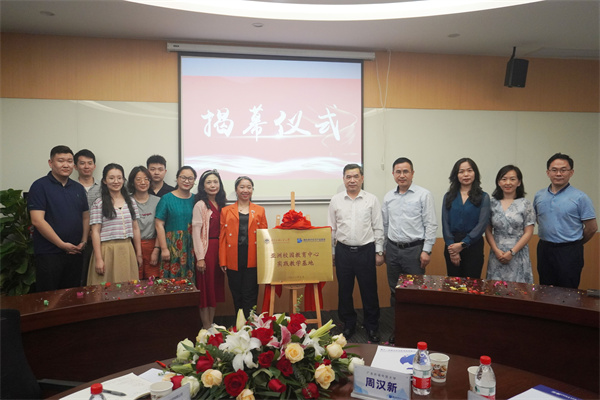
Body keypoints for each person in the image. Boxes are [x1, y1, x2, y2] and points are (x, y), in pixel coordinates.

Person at [382, 157, 437, 345]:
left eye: (406, 171)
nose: (402, 175)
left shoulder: (423, 195)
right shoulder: (388, 197)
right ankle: (398, 330)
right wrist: (383, 249)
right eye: (398, 172)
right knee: (395, 292)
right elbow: (385, 225)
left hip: (414, 251)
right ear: (393, 174)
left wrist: (427, 250)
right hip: (392, 249)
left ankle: (416, 331)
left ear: (412, 173)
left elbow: (431, 224)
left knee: (415, 292)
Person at [328, 164, 384, 343]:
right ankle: (348, 323)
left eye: (355, 176)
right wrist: (332, 252)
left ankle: (371, 325)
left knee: (369, 290)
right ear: (343, 179)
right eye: (348, 177)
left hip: (366, 251)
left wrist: (379, 251)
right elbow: (332, 228)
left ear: (362, 178)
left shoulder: (371, 200)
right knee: (344, 291)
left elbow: (378, 226)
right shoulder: (336, 200)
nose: (352, 180)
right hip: (343, 251)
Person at [28, 145, 89, 292]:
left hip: (75, 252)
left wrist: (83, 241)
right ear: (51, 163)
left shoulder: (78, 188)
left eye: (69, 161)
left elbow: (86, 217)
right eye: (61, 161)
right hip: (49, 253)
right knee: (49, 297)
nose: (66, 165)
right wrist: (61, 244)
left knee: (73, 295)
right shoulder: (39, 186)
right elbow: (37, 220)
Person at [534, 153, 597, 288]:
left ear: (571, 172)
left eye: (563, 170)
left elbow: (592, 228)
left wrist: (576, 243)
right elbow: (539, 219)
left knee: (568, 291)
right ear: (548, 172)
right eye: (554, 170)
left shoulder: (580, 197)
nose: (558, 174)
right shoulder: (539, 195)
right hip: (544, 248)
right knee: (544, 289)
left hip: (569, 251)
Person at [219, 176, 268, 318]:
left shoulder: (260, 210)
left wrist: (264, 259)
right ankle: (240, 323)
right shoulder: (226, 210)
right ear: (236, 190)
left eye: (248, 187)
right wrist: (223, 260)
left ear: (252, 190)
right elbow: (222, 237)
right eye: (242, 187)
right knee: (236, 293)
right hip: (233, 257)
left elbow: (264, 237)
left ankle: (250, 323)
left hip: (253, 256)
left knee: (250, 293)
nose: (245, 190)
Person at [87, 163, 142, 285]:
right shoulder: (99, 203)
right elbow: (95, 231)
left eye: (119, 178)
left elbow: (136, 228)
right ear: (104, 181)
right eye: (111, 178)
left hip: (127, 248)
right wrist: (99, 259)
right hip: (107, 251)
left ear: (123, 180)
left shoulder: (131, 202)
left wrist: (138, 253)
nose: (116, 181)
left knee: (128, 288)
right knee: (105, 289)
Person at [485, 165, 535, 283]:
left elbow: (528, 232)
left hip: (518, 253)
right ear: (498, 182)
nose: (508, 183)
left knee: (519, 289)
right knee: (495, 288)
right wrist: (496, 250)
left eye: (512, 179)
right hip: (497, 253)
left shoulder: (525, 204)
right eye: (504, 179)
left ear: (519, 182)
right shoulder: (491, 203)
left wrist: (512, 252)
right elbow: (487, 230)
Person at [442, 158, 490, 278]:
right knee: (453, 284)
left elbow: (482, 225)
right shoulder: (448, 196)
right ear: (456, 175)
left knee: (472, 285)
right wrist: (452, 249)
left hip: (473, 245)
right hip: (452, 245)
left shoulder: (483, 197)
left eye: (469, 170)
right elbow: (445, 223)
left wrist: (463, 244)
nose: (466, 174)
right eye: (461, 171)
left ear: (475, 173)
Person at [192, 170, 227, 328]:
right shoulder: (200, 205)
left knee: (214, 290)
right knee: (205, 291)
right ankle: (205, 327)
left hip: (219, 252)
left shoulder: (222, 205)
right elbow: (196, 233)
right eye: (209, 182)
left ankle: (211, 325)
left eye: (215, 182)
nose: (213, 185)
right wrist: (200, 257)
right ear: (203, 186)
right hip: (206, 252)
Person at [155, 166, 197, 280]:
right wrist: (164, 248)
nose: (186, 181)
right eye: (183, 177)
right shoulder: (166, 199)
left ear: (194, 181)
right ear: (177, 178)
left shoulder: (196, 199)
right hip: (172, 246)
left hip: (191, 246)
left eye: (190, 178)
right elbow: (159, 224)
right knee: (171, 282)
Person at [128, 166, 161, 279]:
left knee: (153, 282)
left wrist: (156, 249)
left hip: (153, 246)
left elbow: (161, 227)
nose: (143, 182)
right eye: (138, 179)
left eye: (146, 179)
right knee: (134, 281)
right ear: (132, 182)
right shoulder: (126, 201)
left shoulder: (158, 201)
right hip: (132, 246)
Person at [74, 148, 100, 285]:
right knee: (78, 273)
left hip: (100, 236)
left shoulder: (103, 187)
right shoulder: (70, 188)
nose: (86, 166)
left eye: (90, 163)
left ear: (94, 166)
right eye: (82, 163)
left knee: (97, 273)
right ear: (75, 166)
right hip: (77, 237)